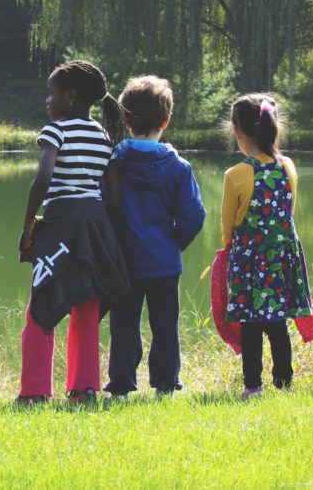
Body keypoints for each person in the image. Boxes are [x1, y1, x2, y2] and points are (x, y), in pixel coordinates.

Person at [17, 60, 129, 404]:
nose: (47, 101)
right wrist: (96, 224)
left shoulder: (57, 131)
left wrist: (28, 224)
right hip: (94, 226)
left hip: (61, 223)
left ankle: (35, 391)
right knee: (86, 307)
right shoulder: (103, 136)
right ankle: (84, 389)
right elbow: (114, 197)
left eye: (51, 94)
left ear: (70, 97)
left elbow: (44, 180)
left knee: (42, 304)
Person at [105, 76, 205, 398]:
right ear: (166, 120)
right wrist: (173, 242)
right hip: (163, 263)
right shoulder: (178, 167)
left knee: (123, 326)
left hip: (124, 263)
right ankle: (165, 385)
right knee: (165, 328)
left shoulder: (114, 163)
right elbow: (194, 216)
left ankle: (121, 386)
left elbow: (103, 206)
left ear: (125, 119)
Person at [221, 94, 313, 398]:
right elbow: (288, 212)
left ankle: (252, 387)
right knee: (277, 323)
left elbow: (227, 228)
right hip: (281, 257)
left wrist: (233, 252)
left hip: (249, 260)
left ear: (237, 132)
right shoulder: (289, 167)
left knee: (250, 325)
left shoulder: (235, 174)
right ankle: (284, 384)